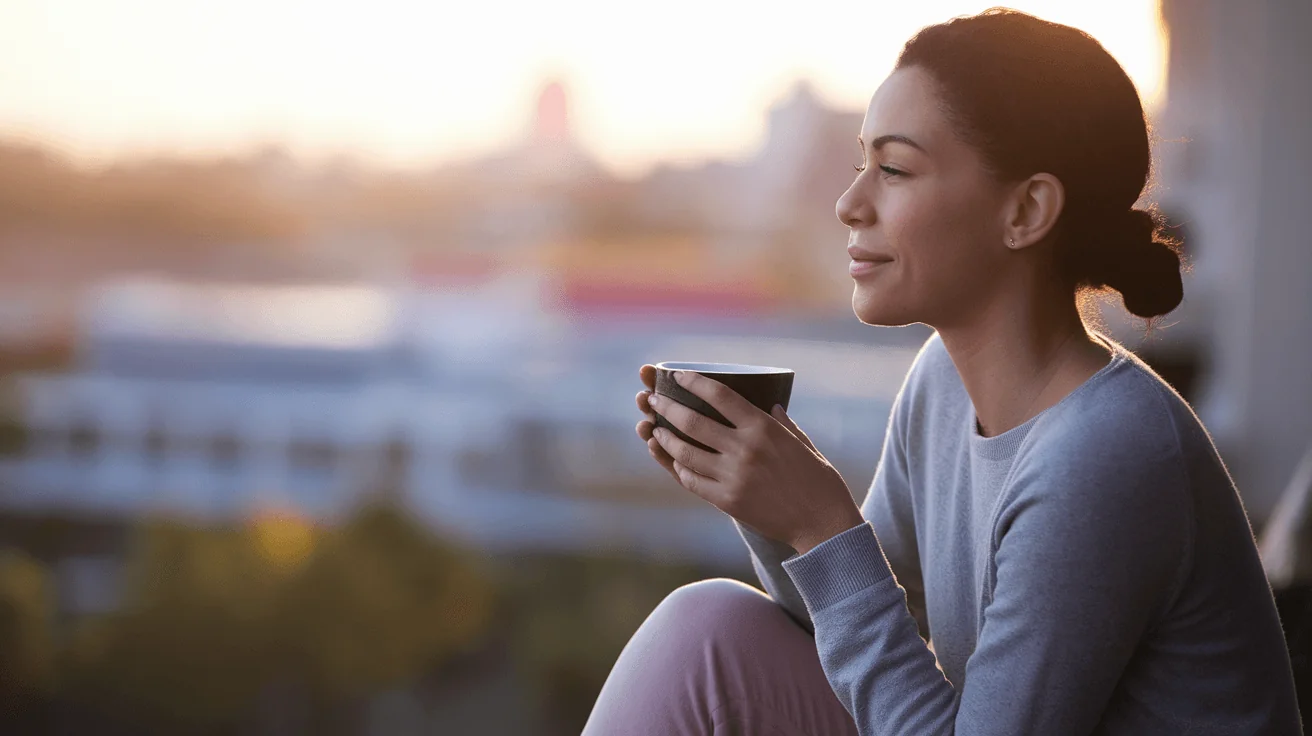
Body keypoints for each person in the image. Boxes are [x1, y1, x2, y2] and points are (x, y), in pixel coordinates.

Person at [583, 8, 1303, 736]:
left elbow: (870, 622)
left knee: (708, 635)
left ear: (1025, 211)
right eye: (861, 162)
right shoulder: (943, 384)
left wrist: (824, 526)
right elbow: (858, 621)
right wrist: (765, 497)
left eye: (893, 169)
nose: (849, 203)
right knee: (710, 628)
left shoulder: (1106, 453)